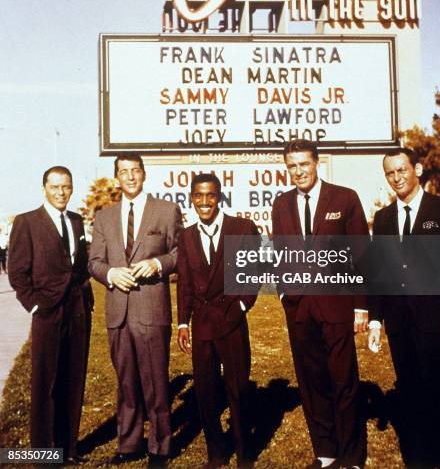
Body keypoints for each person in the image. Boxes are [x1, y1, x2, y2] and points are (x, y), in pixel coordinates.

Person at [368, 148, 440, 468]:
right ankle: (420, 459)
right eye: (390, 173)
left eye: (402, 170)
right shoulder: (384, 218)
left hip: (437, 322)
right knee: (411, 394)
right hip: (399, 325)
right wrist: (375, 321)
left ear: (418, 169)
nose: (396, 178)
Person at [272, 139, 368, 469]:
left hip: (337, 305)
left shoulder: (344, 198)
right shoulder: (281, 204)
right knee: (312, 380)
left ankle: (352, 456)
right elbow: (281, 254)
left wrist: (360, 306)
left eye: (304, 164)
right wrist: (286, 295)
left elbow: (361, 255)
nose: (298, 171)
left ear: (316, 163)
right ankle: (326, 452)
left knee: (343, 381)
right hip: (300, 308)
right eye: (292, 166)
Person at [88, 153, 182, 467]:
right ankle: (129, 444)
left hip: (152, 309)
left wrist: (157, 264)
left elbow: (180, 253)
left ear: (144, 174)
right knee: (126, 380)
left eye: (135, 171)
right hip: (118, 310)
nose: (130, 177)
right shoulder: (104, 217)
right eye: (124, 172)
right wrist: (111, 274)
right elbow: (94, 262)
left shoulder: (166, 211)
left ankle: (160, 445)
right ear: (117, 176)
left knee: (155, 380)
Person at [8, 166, 93, 463]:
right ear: (44, 188)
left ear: (71, 189)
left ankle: (69, 449)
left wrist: (86, 300)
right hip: (46, 312)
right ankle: (45, 452)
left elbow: (79, 267)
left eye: (66, 187)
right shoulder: (27, 222)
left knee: (73, 380)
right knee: (46, 383)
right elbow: (17, 272)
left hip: (77, 312)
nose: (61, 193)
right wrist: (33, 304)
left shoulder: (77, 221)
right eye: (55, 187)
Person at [177, 173, 260, 467]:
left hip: (231, 320)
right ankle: (217, 451)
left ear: (219, 196)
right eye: (198, 196)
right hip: (201, 324)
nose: (204, 202)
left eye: (210, 195)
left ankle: (243, 449)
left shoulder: (242, 228)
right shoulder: (186, 235)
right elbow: (185, 283)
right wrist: (183, 323)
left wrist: (242, 304)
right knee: (205, 388)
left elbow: (255, 270)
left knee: (237, 386)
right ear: (191, 198)